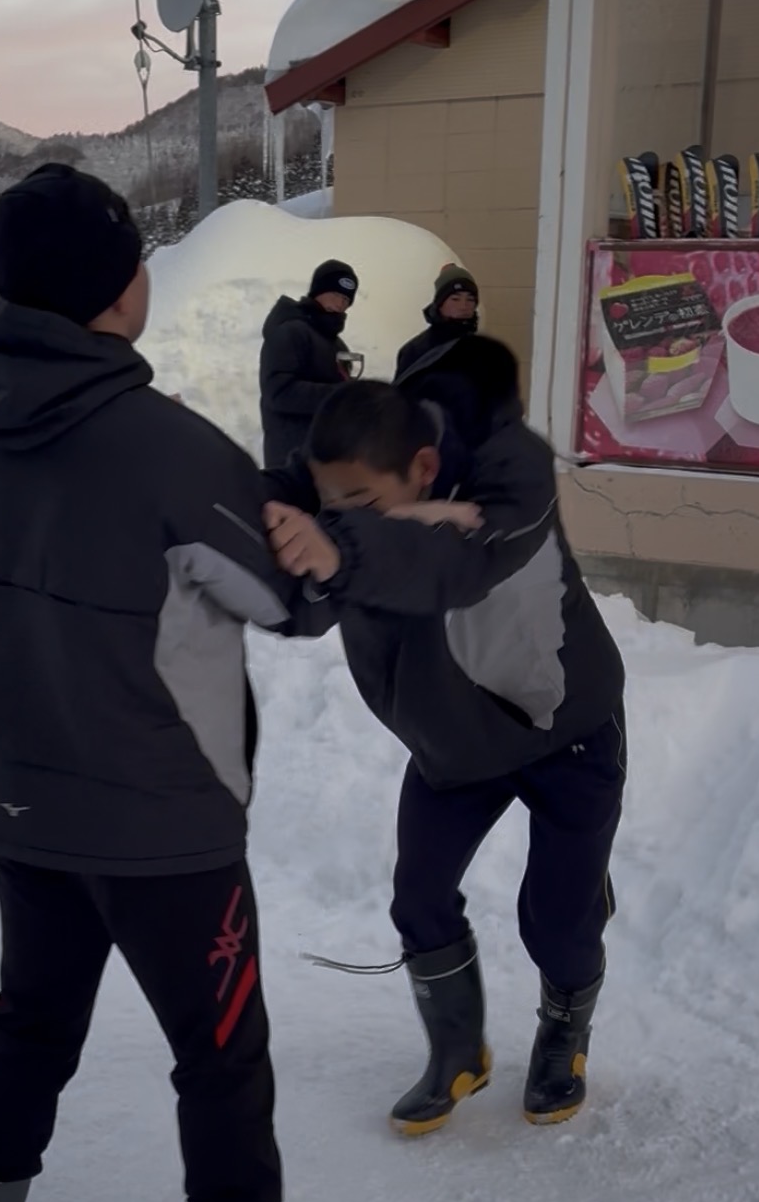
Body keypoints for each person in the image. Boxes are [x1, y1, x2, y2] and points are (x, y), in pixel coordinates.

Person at [0, 163, 359, 1202]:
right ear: (117, 289)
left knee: (31, 1017)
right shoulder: (163, 445)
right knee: (220, 1050)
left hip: (24, 795)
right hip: (159, 815)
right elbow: (283, 597)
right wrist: (327, 545)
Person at [263, 337, 626, 1135]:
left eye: (360, 502)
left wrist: (342, 544)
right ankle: (458, 1051)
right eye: (331, 502)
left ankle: (564, 1037)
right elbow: (302, 572)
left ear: (424, 467)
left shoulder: (512, 471)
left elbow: (456, 564)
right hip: (455, 742)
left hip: (564, 728)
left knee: (556, 919)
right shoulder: (353, 472)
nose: (340, 514)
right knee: (420, 899)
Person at [259, 259, 359, 468]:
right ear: (318, 291)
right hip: (292, 461)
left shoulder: (337, 345)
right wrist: (340, 395)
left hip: (327, 460)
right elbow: (279, 393)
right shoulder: (290, 331)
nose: (340, 304)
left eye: (346, 299)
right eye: (335, 294)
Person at [394, 263, 480, 382]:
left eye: (470, 299)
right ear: (440, 304)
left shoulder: (483, 351)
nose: (463, 306)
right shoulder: (415, 350)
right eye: (455, 299)